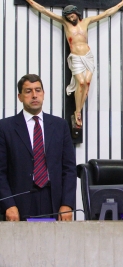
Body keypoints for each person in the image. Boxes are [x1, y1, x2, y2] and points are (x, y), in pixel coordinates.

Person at [25, 0, 123, 127]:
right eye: (68, 17)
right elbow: (44, 10)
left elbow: (106, 13)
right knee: (80, 82)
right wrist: (30, 1)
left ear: (76, 13)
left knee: (87, 83)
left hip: (88, 56)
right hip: (75, 57)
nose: (71, 18)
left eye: (72, 16)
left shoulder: (86, 22)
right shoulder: (64, 23)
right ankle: (77, 111)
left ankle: (78, 110)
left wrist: (121, 4)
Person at [0, 74, 77, 221]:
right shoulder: (5, 128)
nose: (34, 95)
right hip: (19, 202)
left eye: (38, 90)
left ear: (43, 94)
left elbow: (69, 169)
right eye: (28, 91)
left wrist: (67, 204)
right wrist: (8, 204)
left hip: (53, 200)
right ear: (20, 97)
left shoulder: (60, 126)